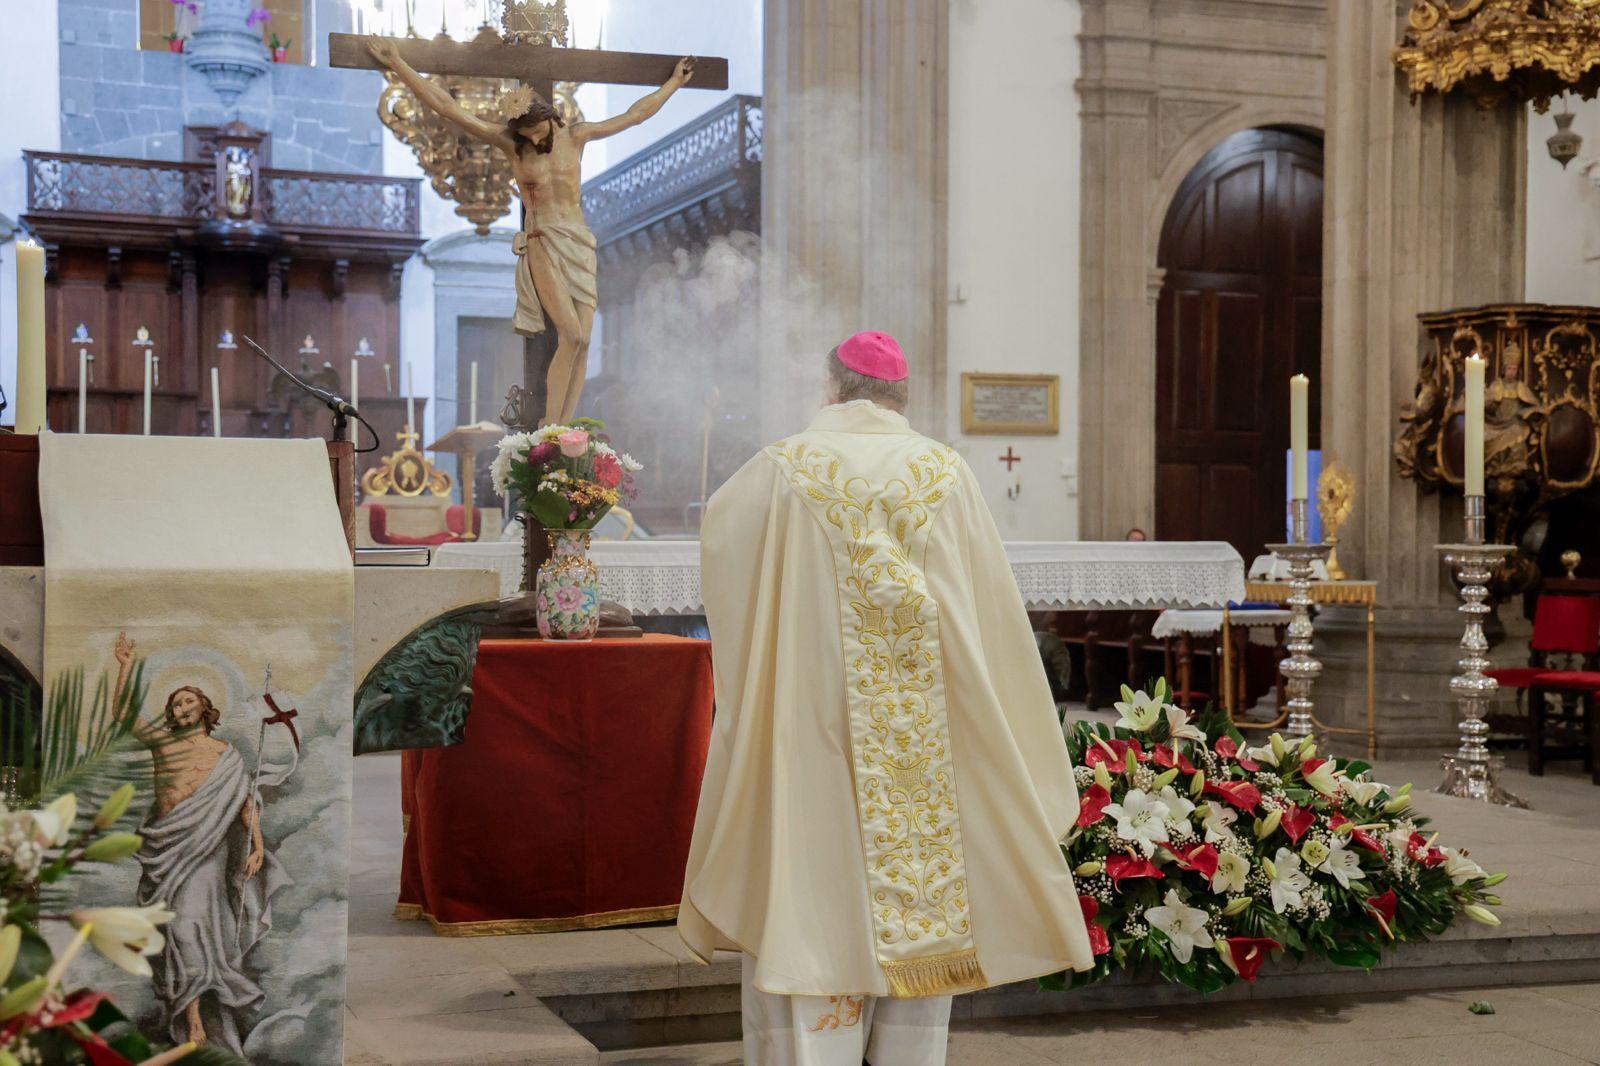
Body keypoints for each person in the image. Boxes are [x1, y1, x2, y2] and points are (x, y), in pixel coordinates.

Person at [679, 332, 1094, 1064]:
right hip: (925, 744)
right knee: (928, 927)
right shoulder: (945, 470)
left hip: (810, 724)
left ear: (831, 387)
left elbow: (725, 542)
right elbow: (992, 615)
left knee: (810, 889)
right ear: (902, 396)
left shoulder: (781, 468)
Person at [366, 36, 695, 426]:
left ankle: (566, 426)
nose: (535, 141)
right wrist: (398, 64)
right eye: (528, 137)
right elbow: (448, 108)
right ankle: (550, 427)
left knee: (585, 340)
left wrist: (674, 84)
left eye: (538, 132)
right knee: (570, 334)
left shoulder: (578, 136)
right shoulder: (512, 145)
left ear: (551, 117)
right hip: (542, 241)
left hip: (579, 240)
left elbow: (635, 115)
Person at [115, 633, 292, 1053]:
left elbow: (244, 804)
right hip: (167, 848)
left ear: (205, 709)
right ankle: (190, 1015)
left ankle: (194, 1023)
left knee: (192, 926)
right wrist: (124, 666)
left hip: (207, 850)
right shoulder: (163, 743)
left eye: (187, 702)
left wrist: (259, 845)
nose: (180, 709)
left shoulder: (226, 754)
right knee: (177, 931)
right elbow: (123, 714)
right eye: (175, 704)